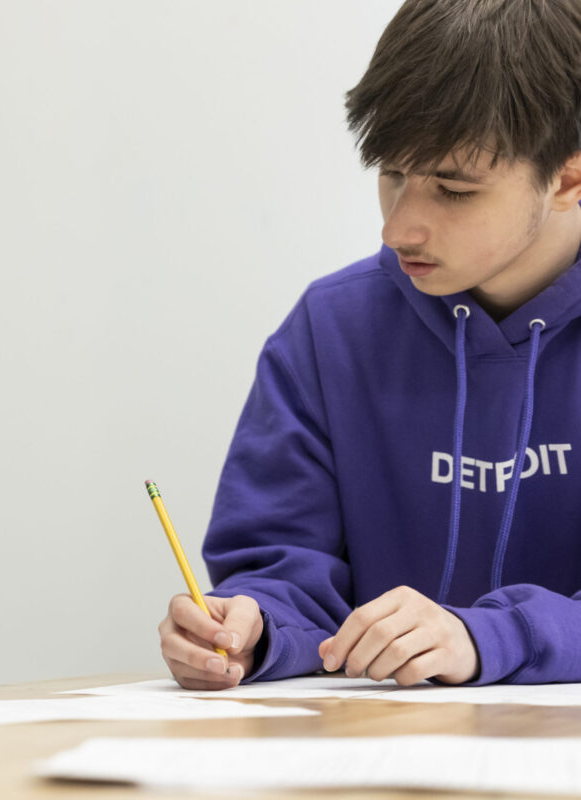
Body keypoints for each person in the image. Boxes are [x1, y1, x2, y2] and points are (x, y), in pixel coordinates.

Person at [158, 0, 581, 690]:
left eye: (451, 189)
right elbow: (281, 569)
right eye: (391, 175)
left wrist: (486, 636)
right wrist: (252, 627)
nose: (399, 229)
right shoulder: (332, 330)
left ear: (567, 179)